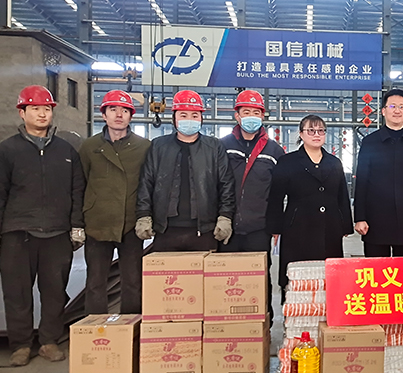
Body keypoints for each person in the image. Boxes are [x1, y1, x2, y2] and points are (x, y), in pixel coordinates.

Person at [0, 86, 85, 366]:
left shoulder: (66, 151)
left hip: (57, 233)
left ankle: (49, 341)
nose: (41, 114)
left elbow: (77, 190)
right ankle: (21, 345)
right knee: (17, 293)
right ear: (22, 113)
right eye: (35, 108)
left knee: (54, 292)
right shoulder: (7, 150)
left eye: (46, 109)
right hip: (17, 233)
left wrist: (76, 225)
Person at [135, 89, 235, 251]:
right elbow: (146, 183)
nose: (189, 119)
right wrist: (143, 215)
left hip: (204, 230)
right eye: (183, 115)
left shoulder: (214, 147)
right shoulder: (159, 146)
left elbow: (226, 185)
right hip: (166, 229)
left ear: (201, 118)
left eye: (195, 115)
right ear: (174, 118)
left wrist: (225, 216)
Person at [79, 90, 150, 315]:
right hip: (97, 224)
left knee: (132, 282)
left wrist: (147, 217)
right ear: (104, 115)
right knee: (95, 283)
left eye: (124, 110)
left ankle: (130, 328)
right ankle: (94, 327)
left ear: (131, 116)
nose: (119, 115)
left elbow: (150, 184)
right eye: (113, 109)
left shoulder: (144, 147)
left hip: (130, 224)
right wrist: (77, 223)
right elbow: (80, 184)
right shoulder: (89, 147)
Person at [267, 115, 353, 299]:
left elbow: (342, 196)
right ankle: (294, 308)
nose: (316, 135)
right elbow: (275, 197)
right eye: (311, 131)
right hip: (298, 227)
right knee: (298, 274)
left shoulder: (334, 162)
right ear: (301, 134)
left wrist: (346, 225)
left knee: (328, 275)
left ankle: (328, 309)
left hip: (330, 227)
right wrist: (275, 228)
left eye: (321, 131)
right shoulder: (287, 162)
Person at [220, 90, 284, 324]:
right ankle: (227, 324)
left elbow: (279, 193)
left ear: (262, 116)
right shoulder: (222, 146)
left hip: (259, 227)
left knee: (259, 277)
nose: (251, 117)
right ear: (237, 115)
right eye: (246, 112)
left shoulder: (274, 150)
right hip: (227, 227)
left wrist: (275, 226)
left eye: (256, 112)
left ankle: (263, 324)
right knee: (227, 279)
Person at [353, 89, 403, 257]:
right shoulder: (370, 142)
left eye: (402, 107)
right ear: (383, 111)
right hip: (375, 219)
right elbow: (362, 182)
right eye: (392, 106)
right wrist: (360, 217)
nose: (397, 111)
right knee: (376, 269)